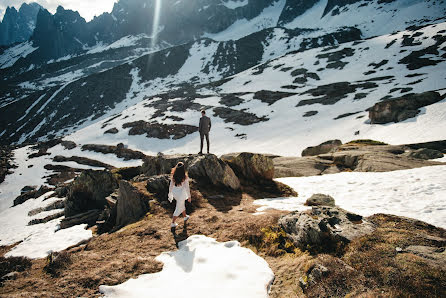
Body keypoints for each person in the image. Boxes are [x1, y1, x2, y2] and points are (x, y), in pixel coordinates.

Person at [168, 162, 191, 228]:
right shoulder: (185, 177)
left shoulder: (174, 176)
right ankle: (173, 222)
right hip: (181, 194)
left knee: (181, 204)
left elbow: (171, 186)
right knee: (178, 208)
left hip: (175, 192)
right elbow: (187, 187)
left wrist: (170, 193)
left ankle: (185, 216)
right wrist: (189, 196)